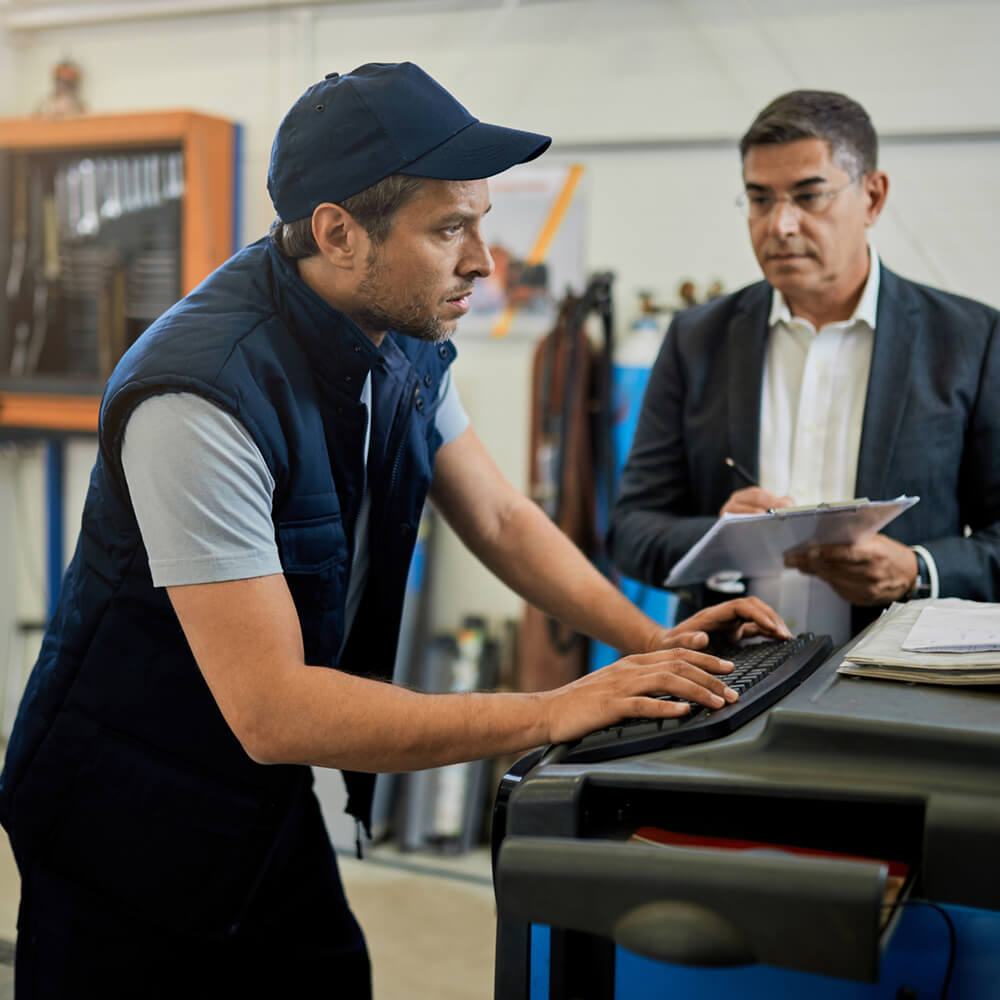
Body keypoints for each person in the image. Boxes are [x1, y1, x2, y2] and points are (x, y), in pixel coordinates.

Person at [0, 63, 790, 998]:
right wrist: (553, 710)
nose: (483, 261)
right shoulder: (199, 394)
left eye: (481, 222)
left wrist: (653, 644)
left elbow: (498, 514)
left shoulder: (402, 335)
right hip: (122, 806)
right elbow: (275, 709)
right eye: (449, 228)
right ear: (337, 232)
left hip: (256, 792)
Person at [608, 89, 1000, 646]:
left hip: (903, 680)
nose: (780, 225)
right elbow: (631, 531)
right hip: (726, 678)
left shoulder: (969, 340)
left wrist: (916, 570)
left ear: (873, 196)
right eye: (760, 199)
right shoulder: (697, 340)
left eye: (808, 196)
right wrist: (721, 540)